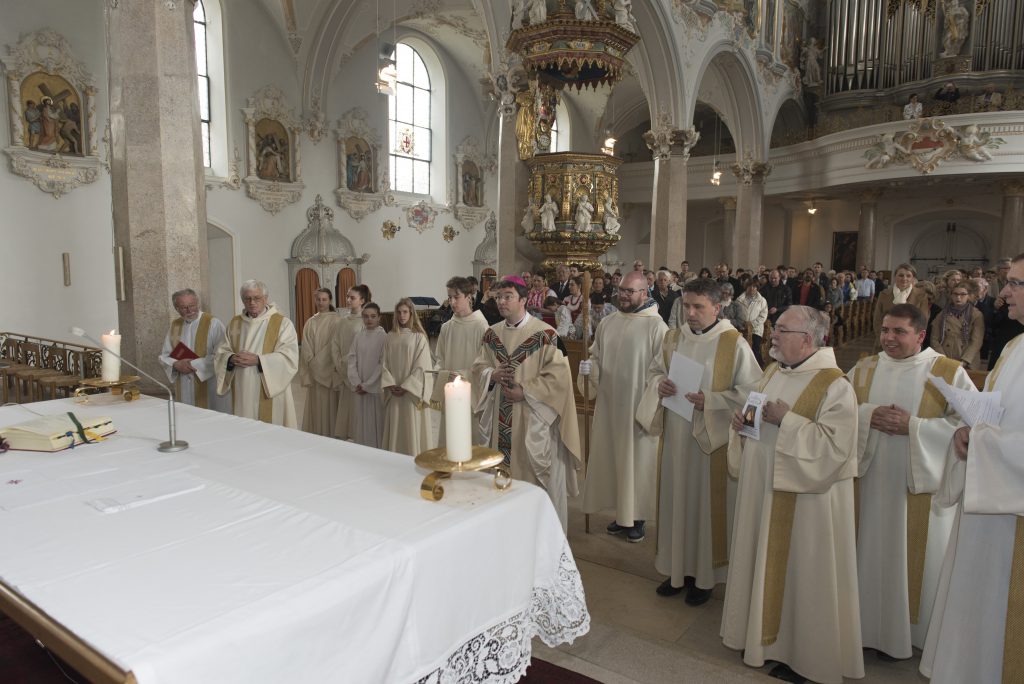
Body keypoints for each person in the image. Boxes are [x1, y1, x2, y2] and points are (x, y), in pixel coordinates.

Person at [721, 305, 863, 684]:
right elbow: (756, 419)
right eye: (776, 328)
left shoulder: (835, 385)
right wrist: (742, 425)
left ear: (807, 339)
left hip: (806, 503)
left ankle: (806, 657)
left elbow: (836, 449)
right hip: (762, 489)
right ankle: (760, 640)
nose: (774, 335)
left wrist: (787, 420)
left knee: (804, 574)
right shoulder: (772, 372)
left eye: (782, 330)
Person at [847, 304, 975, 661]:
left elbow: (970, 427)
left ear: (920, 335)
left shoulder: (947, 371)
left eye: (899, 332)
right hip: (869, 483)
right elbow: (837, 409)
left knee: (914, 561)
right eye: (885, 330)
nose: (889, 338)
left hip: (917, 489)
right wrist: (867, 415)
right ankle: (861, 627)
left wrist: (914, 427)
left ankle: (910, 634)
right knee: (866, 551)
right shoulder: (864, 368)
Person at [920, 253, 1024, 683]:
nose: (1003, 292)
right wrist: (969, 429)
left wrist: (981, 441)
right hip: (987, 507)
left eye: (1015, 284)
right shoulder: (1016, 347)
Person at [639, 278, 760, 603]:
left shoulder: (733, 344)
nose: (690, 313)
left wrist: (713, 401)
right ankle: (676, 570)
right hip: (676, 439)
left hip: (711, 444)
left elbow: (753, 392)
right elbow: (654, 372)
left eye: (698, 307)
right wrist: (660, 385)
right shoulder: (672, 338)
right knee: (676, 501)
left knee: (704, 506)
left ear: (717, 308)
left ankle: (704, 578)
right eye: (686, 306)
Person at [471, 276, 582, 533]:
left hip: (533, 420)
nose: (501, 301)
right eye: (498, 297)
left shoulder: (547, 335)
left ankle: (540, 534)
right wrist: (491, 375)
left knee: (532, 482)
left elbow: (560, 380)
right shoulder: (491, 334)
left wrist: (526, 391)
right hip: (501, 421)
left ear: (523, 300)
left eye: (508, 296)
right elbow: (478, 367)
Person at [577, 271, 668, 543]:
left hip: (637, 408)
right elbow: (596, 354)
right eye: (621, 290)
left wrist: (650, 402)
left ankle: (637, 518)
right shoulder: (608, 322)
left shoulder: (657, 327)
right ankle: (621, 515)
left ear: (644, 293)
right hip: (609, 406)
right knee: (615, 460)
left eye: (630, 291)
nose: (624, 295)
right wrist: (589, 368)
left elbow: (662, 369)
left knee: (636, 463)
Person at [214, 280, 299, 427]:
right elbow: (221, 351)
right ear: (242, 300)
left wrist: (259, 360)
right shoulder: (235, 323)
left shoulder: (282, 323)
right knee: (245, 425)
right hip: (242, 386)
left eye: (257, 298)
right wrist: (231, 358)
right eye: (247, 299)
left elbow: (289, 356)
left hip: (269, 386)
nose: (252, 302)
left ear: (265, 299)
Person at [432, 277, 489, 447]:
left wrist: (462, 375)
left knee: (469, 441)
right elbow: (439, 359)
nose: (452, 302)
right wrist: (442, 373)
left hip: (471, 395)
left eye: (456, 297)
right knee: (450, 439)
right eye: (449, 297)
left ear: (469, 297)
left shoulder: (481, 326)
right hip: (450, 391)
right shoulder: (446, 327)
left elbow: (485, 363)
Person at [158, 288, 231, 413]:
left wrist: (193, 365)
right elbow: (165, 355)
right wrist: (175, 364)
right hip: (183, 386)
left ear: (198, 303)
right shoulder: (175, 325)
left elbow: (222, 355)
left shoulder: (213, 323)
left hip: (207, 386)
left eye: (192, 305)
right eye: (183, 307)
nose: (189, 310)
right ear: (176, 308)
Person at [380, 298, 435, 456]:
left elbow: (422, 365)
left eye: (405, 312)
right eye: (399, 312)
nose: (402, 315)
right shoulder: (390, 336)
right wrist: (390, 384)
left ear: (411, 313)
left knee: (411, 425)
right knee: (396, 426)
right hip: (394, 391)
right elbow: (383, 362)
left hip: (411, 393)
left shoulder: (419, 337)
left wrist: (407, 386)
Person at [298, 288, 339, 436]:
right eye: (318, 299)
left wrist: (317, 365)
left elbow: (333, 346)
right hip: (315, 375)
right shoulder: (310, 321)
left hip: (328, 375)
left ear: (330, 300)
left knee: (330, 408)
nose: (321, 303)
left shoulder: (337, 320)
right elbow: (306, 346)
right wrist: (312, 363)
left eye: (324, 299)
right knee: (316, 408)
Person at [332, 285, 370, 439]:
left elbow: (365, 347)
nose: (348, 300)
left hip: (358, 373)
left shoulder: (366, 321)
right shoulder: (342, 321)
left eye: (352, 297)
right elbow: (335, 344)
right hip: (343, 371)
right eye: (347, 296)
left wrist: (347, 362)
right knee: (346, 411)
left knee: (358, 413)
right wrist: (339, 363)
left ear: (362, 300)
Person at [347, 303, 387, 448]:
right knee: (361, 422)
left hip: (375, 388)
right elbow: (352, 359)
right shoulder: (358, 336)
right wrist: (357, 382)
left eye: (373, 316)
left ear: (379, 317)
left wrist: (367, 385)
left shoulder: (384, 337)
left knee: (375, 422)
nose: (369, 319)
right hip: (360, 387)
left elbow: (382, 363)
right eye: (366, 316)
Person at [930, 280, 984, 369]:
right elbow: (934, 339)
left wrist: (964, 361)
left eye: (963, 294)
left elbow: (976, 342)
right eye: (955, 294)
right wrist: (943, 358)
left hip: (966, 360)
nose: (958, 297)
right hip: (945, 357)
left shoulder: (976, 315)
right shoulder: (942, 314)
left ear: (968, 296)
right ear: (951, 295)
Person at [873, 263, 929, 348]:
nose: (904, 278)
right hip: (887, 340)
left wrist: (913, 340)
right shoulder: (884, 294)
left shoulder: (921, 295)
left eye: (908, 276)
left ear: (913, 278)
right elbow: (877, 319)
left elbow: (923, 321)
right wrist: (883, 337)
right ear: (895, 277)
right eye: (901, 275)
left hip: (910, 342)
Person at [735, 280, 768, 367]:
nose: (752, 288)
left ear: (757, 288)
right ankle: (743, 367)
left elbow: (763, 315)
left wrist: (752, 324)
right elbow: (736, 314)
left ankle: (757, 367)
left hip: (756, 329)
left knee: (755, 348)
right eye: (750, 286)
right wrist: (742, 324)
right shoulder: (739, 300)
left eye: (754, 287)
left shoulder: (762, 300)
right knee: (741, 348)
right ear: (746, 287)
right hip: (742, 328)